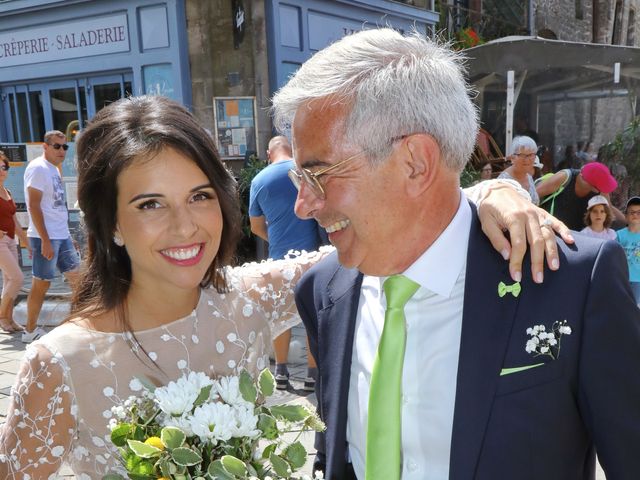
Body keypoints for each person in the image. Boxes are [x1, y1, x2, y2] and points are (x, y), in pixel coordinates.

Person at [0, 95, 551, 478]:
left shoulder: (247, 299)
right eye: (150, 205)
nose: (186, 226)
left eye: (200, 195)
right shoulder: (61, 363)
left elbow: (369, 237)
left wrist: (492, 196)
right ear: (110, 222)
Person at [272, 28, 640, 479]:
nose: (302, 205)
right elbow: (336, 455)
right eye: (298, 179)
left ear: (415, 163)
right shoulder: (323, 290)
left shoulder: (571, 282)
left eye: (318, 174)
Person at [249, 135, 319, 391]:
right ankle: (312, 374)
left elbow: (255, 226)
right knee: (312, 317)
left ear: (269, 154)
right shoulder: (304, 172)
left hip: (279, 259)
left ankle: (280, 372)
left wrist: (276, 238)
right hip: (314, 257)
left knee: (281, 316)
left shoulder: (259, 180)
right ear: (291, 150)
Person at [22, 130, 80, 343]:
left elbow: (55, 206)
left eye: (64, 146)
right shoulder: (38, 168)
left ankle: (78, 323)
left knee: (77, 279)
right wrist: (46, 240)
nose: (61, 151)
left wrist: (66, 234)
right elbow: (33, 205)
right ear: (45, 147)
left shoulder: (54, 169)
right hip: (44, 237)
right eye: (56, 146)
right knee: (42, 284)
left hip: (60, 235)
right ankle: (30, 331)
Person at [536, 161, 625, 231]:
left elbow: (609, 209)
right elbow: (532, 196)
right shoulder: (565, 178)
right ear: (589, 183)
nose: (602, 190)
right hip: (550, 229)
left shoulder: (600, 191)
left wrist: (629, 223)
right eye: (600, 187)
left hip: (579, 237)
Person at [0, 151, 30, 333]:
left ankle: (9, 320)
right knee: (18, 277)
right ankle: (2, 316)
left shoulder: (7, 191)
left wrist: (26, 241)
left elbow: (15, 221)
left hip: (11, 240)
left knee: (9, 280)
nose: (2, 170)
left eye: (4, 167)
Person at [498, 136, 540, 204]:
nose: (527, 160)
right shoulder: (504, 181)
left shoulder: (528, 176)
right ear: (512, 158)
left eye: (531, 155)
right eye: (522, 155)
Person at [616, 196, 640, 305]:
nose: (635, 215)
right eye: (632, 212)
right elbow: (613, 256)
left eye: (639, 212)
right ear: (626, 216)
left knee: (636, 306)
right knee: (622, 305)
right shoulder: (619, 235)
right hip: (622, 278)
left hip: (638, 280)